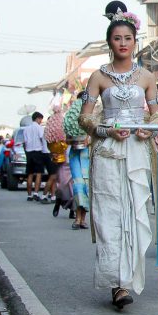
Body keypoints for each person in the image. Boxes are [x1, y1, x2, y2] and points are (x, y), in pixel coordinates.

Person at [79, 1, 158, 310]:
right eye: (117, 38)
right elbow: (85, 118)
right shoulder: (98, 77)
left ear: (135, 42)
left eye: (128, 38)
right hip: (108, 151)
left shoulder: (147, 77)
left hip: (137, 150)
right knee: (110, 214)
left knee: (135, 213)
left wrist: (148, 129)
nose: (123, 43)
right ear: (109, 43)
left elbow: (157, 114)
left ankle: (127, 279)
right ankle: (117, 283)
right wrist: (106, 130)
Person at [63, 91, 90, 231]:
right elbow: (67, 139)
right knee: (78, 185)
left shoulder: (93, 115)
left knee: (87, 186)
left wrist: (89, 139)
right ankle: (78, 218)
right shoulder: (75, 113)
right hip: (76, 153)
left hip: (88, 154)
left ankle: (82, 218)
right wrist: (74, 139)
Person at [22, 112, 48, 202]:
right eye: (41, 119)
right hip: (37, 151)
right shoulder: (39, 128)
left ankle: (29, 195)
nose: (41, 121)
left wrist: (26, 151)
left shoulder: (26, 129)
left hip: (29, 151)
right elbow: (42, 138)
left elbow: (25, 142)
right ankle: (35, 193)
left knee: (29, 173)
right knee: (39, 173)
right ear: (37, 118)